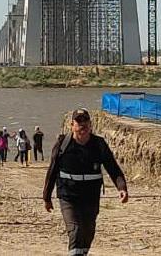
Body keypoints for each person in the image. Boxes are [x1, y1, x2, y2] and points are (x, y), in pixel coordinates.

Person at [43, 108, 128, 256]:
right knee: (75, 230)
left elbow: (113, 168)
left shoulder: (99, 144)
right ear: (72, 125)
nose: (82, 125)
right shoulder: (63, 144)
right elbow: (52, 171)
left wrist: (122, 188)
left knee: (88, 231)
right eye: (79, 121)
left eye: (85, 121)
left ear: (90, 124)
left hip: (90, 196)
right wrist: (47, 197)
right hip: (68, 195)